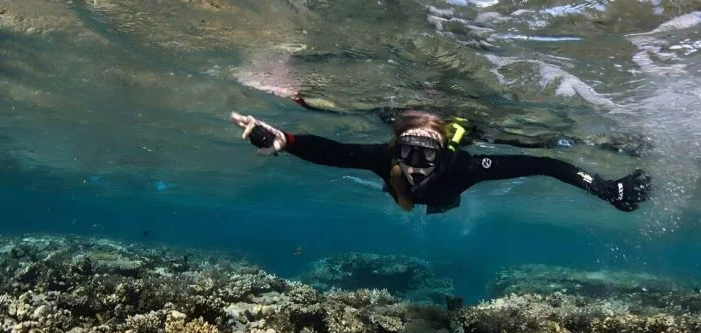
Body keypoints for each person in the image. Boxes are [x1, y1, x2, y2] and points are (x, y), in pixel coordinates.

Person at [230, 110, 651, 214]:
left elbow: (547, 163)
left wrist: (607, 190)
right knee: (402, 191)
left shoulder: (465, 166)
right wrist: (285, 140)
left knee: (437, 201)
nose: (416, 163)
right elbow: (338, 153)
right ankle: (402, 196)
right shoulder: (387, 160)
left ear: (443, 153)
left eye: (427, 153)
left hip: (448, 197)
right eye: (408, 152)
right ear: (396, 149)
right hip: (401, 194)